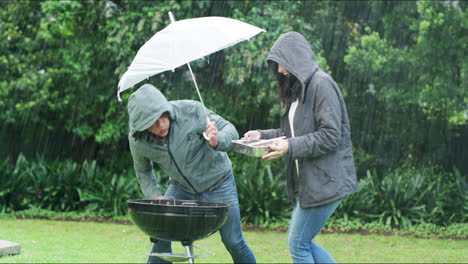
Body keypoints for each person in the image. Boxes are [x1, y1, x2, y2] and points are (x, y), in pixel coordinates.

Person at [243, 32, 358, 263]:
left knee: (297, 244)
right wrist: (261, 135)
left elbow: (330, 136)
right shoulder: (298, 90)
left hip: (327, 180)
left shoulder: (321, 85)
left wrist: (289, 146)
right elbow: (291, 134)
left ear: (295, 57)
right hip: (312, 182)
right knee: (303, 243)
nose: (278, 70)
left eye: (280, 62)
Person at [127, 84, 256, 264]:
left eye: (162, 117)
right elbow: (143, 171)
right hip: (181, 188)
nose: (161, 124)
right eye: (152, 123)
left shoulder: (191, 110)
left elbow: (230, 130)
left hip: (219, 182)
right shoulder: (138, 140)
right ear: (142, 126)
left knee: (234, 241)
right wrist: (155, 196)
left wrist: (217, 139)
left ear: (166, 109)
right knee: (160, 236)